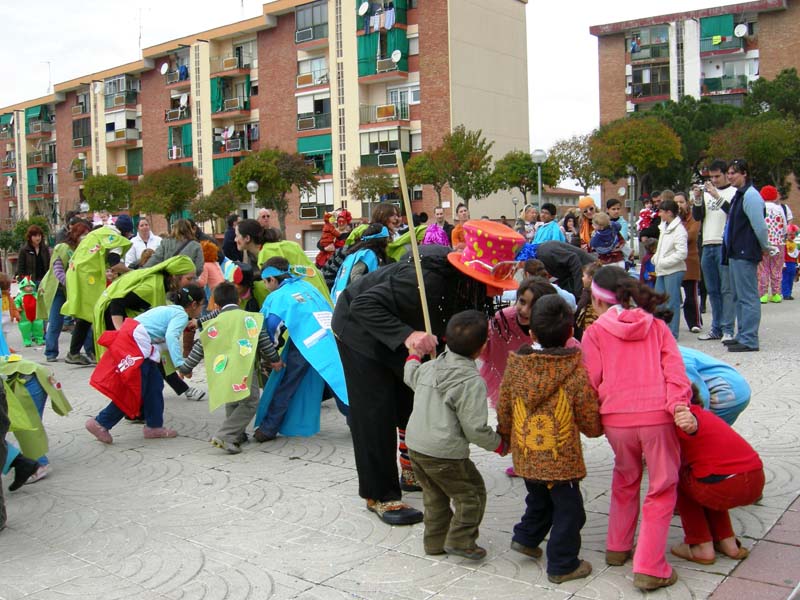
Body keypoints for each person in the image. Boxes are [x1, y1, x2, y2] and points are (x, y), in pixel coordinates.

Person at [332, 222, 524, 526]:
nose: (494, 291)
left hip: (408, 336)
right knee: (375, 411)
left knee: (412, 402)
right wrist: (407, 335)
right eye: (491, 283)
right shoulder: (425, 281)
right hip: (360, 331)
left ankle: (412, 470)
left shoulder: (465, 287)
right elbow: (365, 304)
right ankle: (380, 495)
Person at [581, 265, 692, 592]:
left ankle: (617, 547)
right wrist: (678, 406)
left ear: (598, 302)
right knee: (662, 485)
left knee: (625, 476)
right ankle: (649, 566)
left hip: (617, 419)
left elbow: (591, 381)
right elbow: (675, 374)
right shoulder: (657, 326)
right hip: (657, 416)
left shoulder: (595, 332)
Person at [497, 295, 602, 583]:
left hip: (526, 453)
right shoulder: (574, 372)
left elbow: (504, 405)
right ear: (570, 333)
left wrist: (505, 437)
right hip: (561, 460)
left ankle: (527, 536)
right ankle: (563, 564)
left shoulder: (516, 367)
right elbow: (587, 414)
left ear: (530, 332)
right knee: (570, 512)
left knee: (538, 497)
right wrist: (596, 428)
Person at [405, 310, 505, 560]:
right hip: (444, 454)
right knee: (471, 494)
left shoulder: (429, 366)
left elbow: (410, 376)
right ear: (482, 348)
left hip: (416, 447)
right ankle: (461, 540)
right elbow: (475, 429)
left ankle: (435, 542)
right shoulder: (471, 381)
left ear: (446, 340)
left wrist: (414, 356)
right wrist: (499, 445)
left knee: (435, 495)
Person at [86, 285, 206, 443]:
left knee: (154, 385)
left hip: (138, 345)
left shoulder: (171, 310)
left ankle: (154, 426)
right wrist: (180, 364)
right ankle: (101, 422)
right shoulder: (181, 315)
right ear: (194, 305)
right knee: (135, 389)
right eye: (202, 305)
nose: (202, 309)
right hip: (137, 347)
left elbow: (163, 342)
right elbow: (171, 338)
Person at [179, 282, 283, 454]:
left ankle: (238, 435)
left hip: (222, 369)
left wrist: (186, 368)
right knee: (250, 402)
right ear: (239, 300)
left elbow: (199, 346)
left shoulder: (213, 322)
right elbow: (264, 341)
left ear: (217, 305)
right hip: (244, 369)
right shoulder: (251, 318)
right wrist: (275, 359)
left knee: (233, 400)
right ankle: (226, 435)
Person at [253, 256, 348, 442]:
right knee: (339, 382)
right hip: (331, 339)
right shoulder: (307, 286)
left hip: (308, 344)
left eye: (265, 282)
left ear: (272, 279)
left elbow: (271, 329)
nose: (265, 286)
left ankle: (268, 428)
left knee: (286, 385)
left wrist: (271, 356)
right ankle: (359, 421)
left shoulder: (277, 297)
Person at [670, 390, 764, 565]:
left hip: (724, 485)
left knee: (679, 479)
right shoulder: (705, 415)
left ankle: (700, 545)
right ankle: (728, 542)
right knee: (704, 476)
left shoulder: (680, 422)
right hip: (755, 477)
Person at [480, 278, 560, 409]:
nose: (524, 310)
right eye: (522, 302)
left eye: (533, 307)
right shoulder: (502, 319)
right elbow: (487, 352)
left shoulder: (550, 328)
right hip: (504, 384)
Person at [62, 226, 132, 366]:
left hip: (76, 273)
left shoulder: (99, 233)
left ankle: (76, 352)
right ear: (127, 233)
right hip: (89, 277)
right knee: (104, 310)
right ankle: (108, 351)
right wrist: (133, 271)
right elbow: (115, 263)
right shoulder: (115, 238)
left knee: (87, 314)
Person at [724, 159, 770, 352]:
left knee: (748, 297)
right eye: (728, 173)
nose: (730, 176)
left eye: (733, 172)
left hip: (744, 252)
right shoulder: (739, 195)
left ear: (744, 173)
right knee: (738, 296)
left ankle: (750, 338)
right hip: (735, 252)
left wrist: (765, 246)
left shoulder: (751, 196)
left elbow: (759, 226)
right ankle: (742, 334)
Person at [692, 160, 737, 342]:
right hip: (707, 244)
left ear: (727, 174)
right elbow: (698, 216)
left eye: (718, 176)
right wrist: (697, 198)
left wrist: (715, 195)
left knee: (726, 289)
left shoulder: (733, 192)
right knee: (712, 290)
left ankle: (728, 328)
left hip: (723, 243)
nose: (714, 180)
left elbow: (732, 213)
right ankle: (716, 327)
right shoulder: (706, 194)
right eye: (711, 177)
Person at [39, 219, 93, 362]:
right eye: (83, 234)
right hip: (59, 289)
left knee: (83, 319)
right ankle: (50, 352)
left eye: (88, 234)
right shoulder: (63, 247)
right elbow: (57, 270)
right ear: (76, 234)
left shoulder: (82, 250)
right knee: (56, 321)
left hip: (73, 290)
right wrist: (70, 285)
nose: (85, 237)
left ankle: (90, 350)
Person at [652, 198, 687, 339]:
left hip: (673, 270)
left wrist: (664, 262)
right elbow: (661, 248)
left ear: (669, 212)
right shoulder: (664, 228)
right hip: (662, 269)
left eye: (661, 211)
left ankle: (672, 333)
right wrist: (656, 258)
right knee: (658, 301)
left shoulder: (679, 230)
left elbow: (681, 253)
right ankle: (661, 330)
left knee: (672, 303)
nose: (659, 214)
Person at [331, 224, 390, 305]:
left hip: (340, 299)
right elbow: (355, 276)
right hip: (352, 302)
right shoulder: (368, 254)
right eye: (387, 239)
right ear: (381, 240)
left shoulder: (355, 254)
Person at [676, 192, 703, 333]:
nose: (679, 205)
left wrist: (676, 236)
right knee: (674, 295)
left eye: (681, 202)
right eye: (676, 202)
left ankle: (695, 322)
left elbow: (691, 236)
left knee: (691, 295)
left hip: (690, 260)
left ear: (687, 203)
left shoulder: (694, 217)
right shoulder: (671, 219)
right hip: (674, 261)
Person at [757, 185, 787, 303]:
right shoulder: (779, 208)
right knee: (776, 268)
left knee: (763, 268)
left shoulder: (761, 207)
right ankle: (776, 294)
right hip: (778, 242)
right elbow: (784, 226)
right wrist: (782, 234)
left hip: (764, 242)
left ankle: (763, 294)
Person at [783, 224, 799, 300]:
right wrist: (783, 263)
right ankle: (785, 293)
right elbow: (782, 255)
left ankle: (789, 293)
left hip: (793, 263)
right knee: (785, 278)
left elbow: (796, 255)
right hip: (786, 263)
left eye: (793, 234)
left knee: (791, 279)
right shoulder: (785, 244)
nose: (792, 236)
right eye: (790, 235)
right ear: (787, 235)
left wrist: (797, 264)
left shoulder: (795, 244)